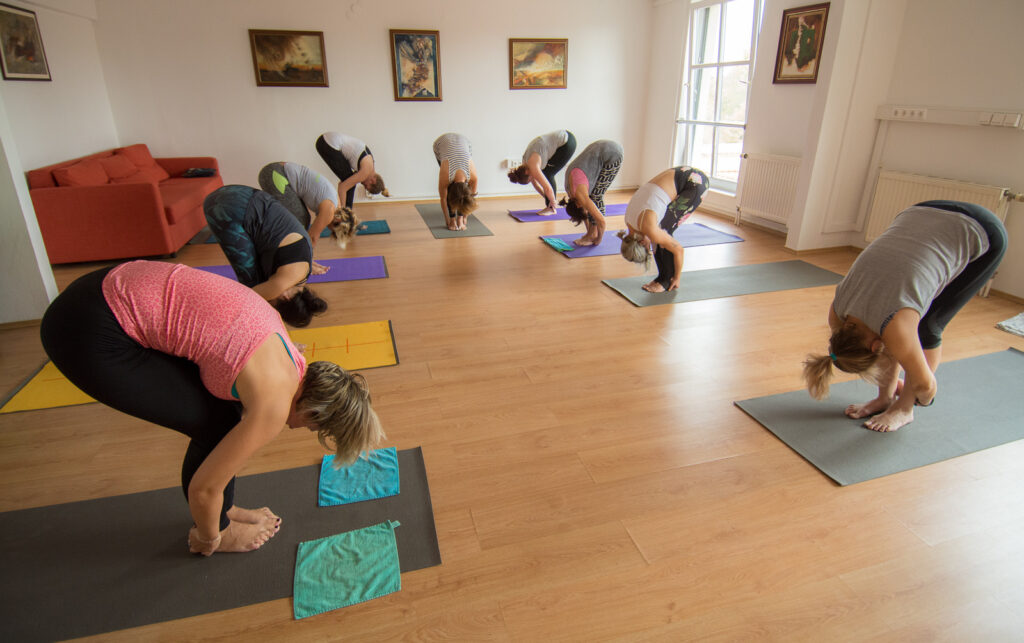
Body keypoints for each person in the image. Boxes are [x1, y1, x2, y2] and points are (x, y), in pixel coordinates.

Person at [39, 260, 384, 555]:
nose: (301, 430)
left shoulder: (288, 352)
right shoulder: (275, 404)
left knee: (223, 420)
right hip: (85, 329)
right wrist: (209, 538)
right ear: (314, 413)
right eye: (314, 428)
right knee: (215, 428)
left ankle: (225, 510)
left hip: (101, 286)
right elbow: (202, 489)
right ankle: (220, 529)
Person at [803, 200, 1007, 432]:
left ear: (875, 346)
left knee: (927, 326)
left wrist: (922, 396)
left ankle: (904, 409)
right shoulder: (838, 316)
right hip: (921, 211)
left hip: (983, 231)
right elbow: (888, 341)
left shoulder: (896, 325)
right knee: (897, 334)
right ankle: (884, 399)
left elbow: (927, 386)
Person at [203, 185, 327, 327]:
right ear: (285, 298)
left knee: (259, 284)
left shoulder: (302, 273)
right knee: (251, 289)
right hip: (226, 206)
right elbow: (249, 305)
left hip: (244, 193)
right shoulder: (280, 285)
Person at [617, 166, 709, 292]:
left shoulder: (649, 228)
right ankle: (662, 277)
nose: (649, 249)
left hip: (695, 183)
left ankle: (667, 280)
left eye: (647, 249)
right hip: (682, 173)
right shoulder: (629, 221)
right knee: (658, 234)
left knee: (664, 230)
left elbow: (678, 250)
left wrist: (677, 277)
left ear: (642, 243)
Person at [257, 161, 360, 249]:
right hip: (275, 175)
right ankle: (293, 261)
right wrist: (309, 263)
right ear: (338, 221)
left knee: (302, 221)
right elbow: (312, 237)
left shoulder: (336, 204)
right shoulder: (330, 211)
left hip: (276, 173)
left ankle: (287, 256)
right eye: (334, 232)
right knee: (300, 221)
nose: (329, 230)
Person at [558, 140, 623, 246]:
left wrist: (598, 239)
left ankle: (593, 234)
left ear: (579, 205)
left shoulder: (580, 196)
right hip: (599, 148)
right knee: (590, 203)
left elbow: (601, 221)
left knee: (596, 196)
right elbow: (585, 211)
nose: (586, 211)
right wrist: (588, 231)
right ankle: (591, 233)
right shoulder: (571, 193)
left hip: (613, 153)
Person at [507, 130, 577, 215]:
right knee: (546, 173)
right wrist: (546, 197)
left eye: (531, 178)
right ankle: (550, 206)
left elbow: (548, 188)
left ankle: (551, 209)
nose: (534, 178)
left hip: (567, 143)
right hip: (565, 137)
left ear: (527, 173)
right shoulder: (525, 163)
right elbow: (536, 185)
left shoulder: (533, 166)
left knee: (548, 173)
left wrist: (552, 202)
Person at [314, 132, 390, 209]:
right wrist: (342, 211)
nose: (362, 183)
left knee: (349, 181)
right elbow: (342, 188)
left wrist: (345, 184)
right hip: (327, 144)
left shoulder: (371, 165)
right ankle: (345, 215)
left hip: (326, 141)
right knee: (350, 185)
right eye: (366, 186)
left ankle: (346, 214)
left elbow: (342, 184)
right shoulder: (365, 172)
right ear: (373, 181)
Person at [433, 132, 479, 231]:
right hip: (441, 143)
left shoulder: (473, 177)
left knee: (462, 199)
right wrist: (449, 220)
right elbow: (443, 198)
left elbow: (471, 199)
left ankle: (459, 218)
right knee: (448, 188)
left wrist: (463, 218)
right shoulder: (446, 175)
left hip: (464, 142)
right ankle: (454, 218)